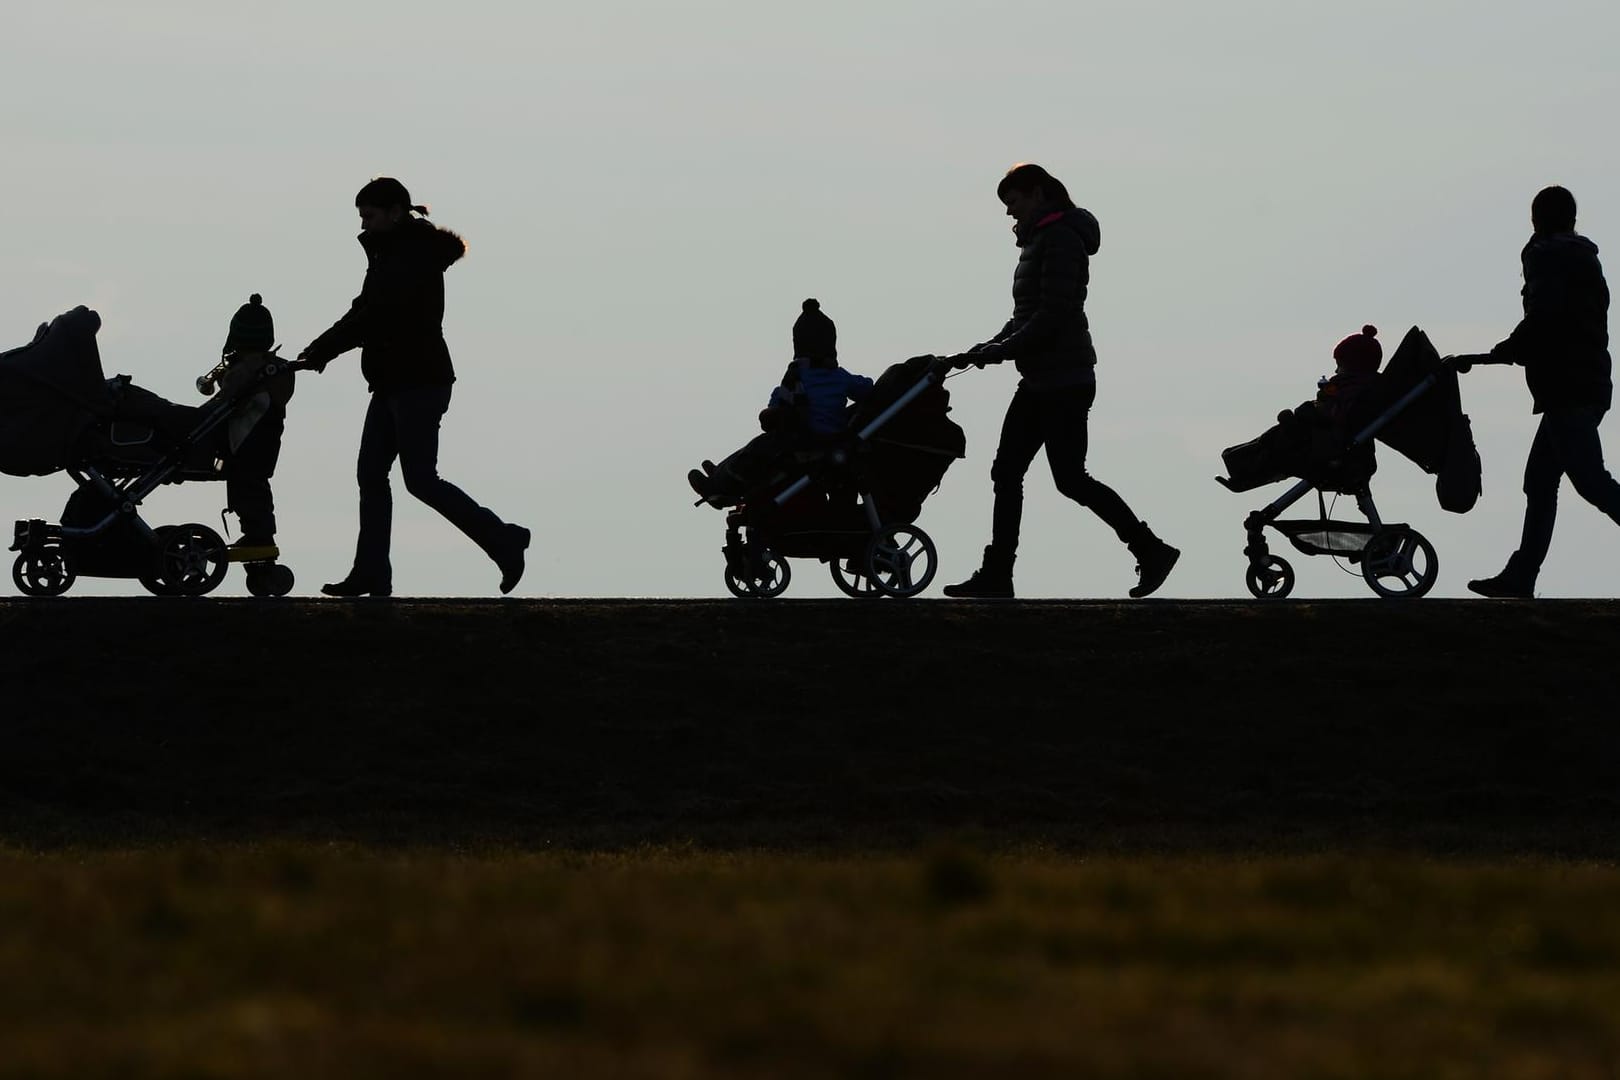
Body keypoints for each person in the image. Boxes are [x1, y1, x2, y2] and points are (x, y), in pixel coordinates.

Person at [941, 162, 1179, 599]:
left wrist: (1002, 350)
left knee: (1069, 479)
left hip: (1065, 380)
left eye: (1013, 203)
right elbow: (1025, 316)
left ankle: (1150, 550)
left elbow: (1054, 314)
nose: (1009, 214)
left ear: (1039, 194)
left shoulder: (1062, 238)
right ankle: (998, 574)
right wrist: (988, 346)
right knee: (1007, 472)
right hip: (1039, 380)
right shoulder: (1039, 242)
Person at [299, 177, 530, 597]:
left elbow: (374, 315)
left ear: (394, 211)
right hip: (392, 380)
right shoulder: (392, 253)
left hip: (419, 380)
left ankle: (503, 538)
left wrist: (322, 351)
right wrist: (317, 350)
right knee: (372, 475)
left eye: (369, 216)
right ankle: (371, 572)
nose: (364, 226)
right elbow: (364, 309)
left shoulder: (410, 256)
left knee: (420, 479)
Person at [1450, 185, 1616, 598]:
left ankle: (1522, 574)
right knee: (1540, 482)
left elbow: (1546, 314)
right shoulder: (1584, 257)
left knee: (1591, 482)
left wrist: (1510, 349)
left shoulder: (1545, 254)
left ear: (1537, 218)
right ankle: (1522, 574)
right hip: (1588, 382)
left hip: (1567, 387)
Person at [688, 298, 873, 504]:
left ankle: (721, 481)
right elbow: (866, 388)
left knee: (756, 448)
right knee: (759, 448)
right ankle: (722, 473)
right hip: (834, 440)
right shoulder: (840, 376)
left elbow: (776, 407)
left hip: (802, 443)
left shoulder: (795, 377)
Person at [213, 293, 295, 563]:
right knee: (254, 486)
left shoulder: (244, 371)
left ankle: (259, 535)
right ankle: (258, 534)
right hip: (268, 442)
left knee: (246, 485)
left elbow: (221, 404)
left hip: (244, 442)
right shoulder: (280, 370)